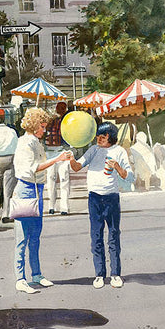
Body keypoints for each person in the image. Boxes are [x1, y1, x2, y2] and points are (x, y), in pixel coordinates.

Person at [13, 108, 72, 294]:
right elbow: (33, 168)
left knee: (35, 236)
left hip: (37, 190)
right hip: (25, 189)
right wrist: (57, 159)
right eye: (43, 126)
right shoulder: (25, 143)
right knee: (22, 237)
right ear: (34, 125)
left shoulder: (35, 142)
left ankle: (36, 274)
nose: (44, 130)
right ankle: (20, 278)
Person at [69, 122, 135, 288]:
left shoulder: (119, 151)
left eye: (102, 136)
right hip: (94, 198)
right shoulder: (93, 150)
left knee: (113, 235)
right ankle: (99, 274)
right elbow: (77, 167)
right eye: (98, 135)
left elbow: (129, 176)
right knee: (96, 236)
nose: (98, 139)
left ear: (110, 138)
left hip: (111, 198)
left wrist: (117, 166)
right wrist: (71, 159)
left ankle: (115, 274)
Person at [45, 101, 71, 215]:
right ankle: (56, 206)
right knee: (57, 179)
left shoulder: (64, 122)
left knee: (57, 179)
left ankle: (59, 207)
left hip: (58, 151)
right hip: (55, 151)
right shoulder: (54, 121)